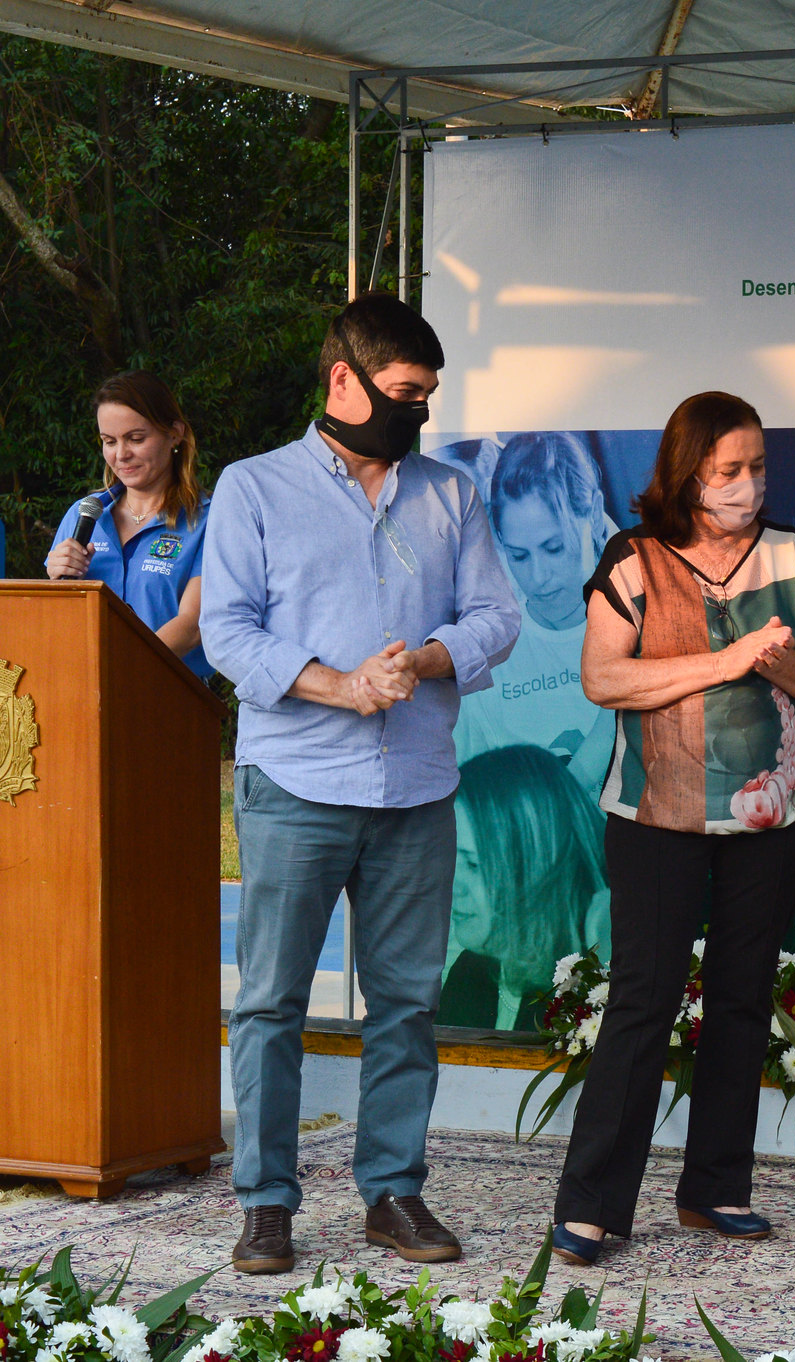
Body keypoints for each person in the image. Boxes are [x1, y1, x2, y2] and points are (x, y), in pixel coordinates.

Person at [202, 293, 522, 1276]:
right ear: (343, 379)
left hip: (415, 788)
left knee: (405, 1005)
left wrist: (425, 661)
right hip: (296, 782)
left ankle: (392, 1192)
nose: (418, 412)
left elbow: (497, 617)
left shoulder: (449, 494)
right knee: (269, 1004)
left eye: (427, 396)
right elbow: (228, 631)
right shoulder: (253, 488)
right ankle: (265, 1206)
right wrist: (339, 685)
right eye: (403, 393)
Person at [551, 391, 795, 1265]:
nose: (748, 486)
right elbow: (604, 680)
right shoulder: (634, 559)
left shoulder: (793, 556)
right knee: (644, 1004)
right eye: (729, 472)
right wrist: (723, 661)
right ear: (687, 473)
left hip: (775, 815)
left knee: (743, 997)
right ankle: (593, 1204)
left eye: (757, 468)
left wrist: (777, 659)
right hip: (657, 816)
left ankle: (716, 1188)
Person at [452, 431, 616, 791]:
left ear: (594, 512)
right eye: (520, 556)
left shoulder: (649, 619)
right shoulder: (490, 653)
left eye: (554, 548)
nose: (538, 578)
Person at [46, 371, 212, 677]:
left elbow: (192, 625)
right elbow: (57, 624)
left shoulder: (208, 519)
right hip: (80, 690)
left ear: (174, 433)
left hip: (167, 698)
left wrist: (119, 673)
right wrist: (55, 581)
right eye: (109, 441)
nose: (121, 454)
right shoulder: (84, 515)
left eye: (136, 438)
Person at [441, 743, 613, 1030]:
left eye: (473, 865)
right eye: (450, 858)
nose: (452, 886)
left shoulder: (591, 994)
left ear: (538, 866)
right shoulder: (471, 972)